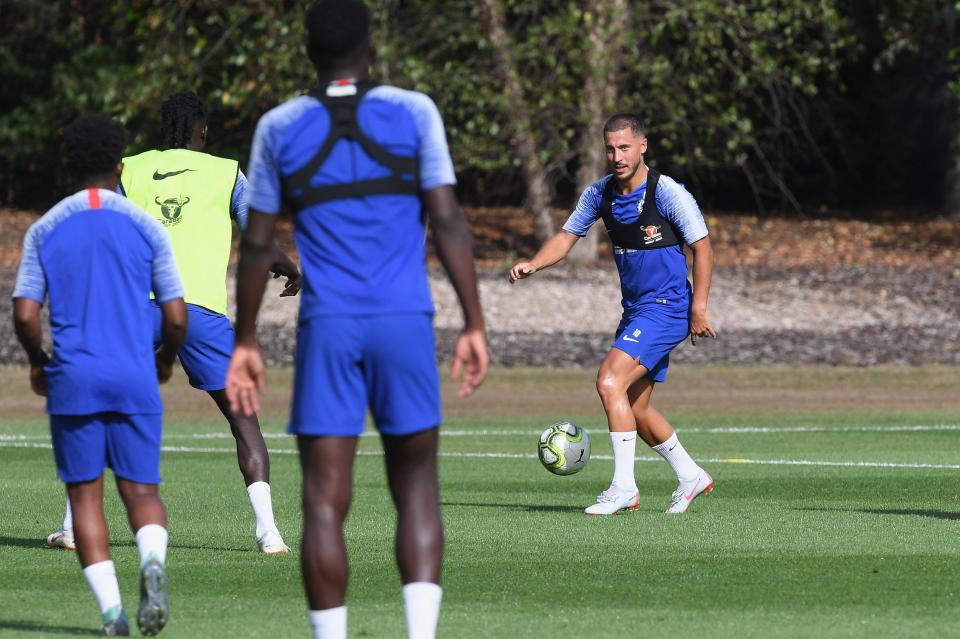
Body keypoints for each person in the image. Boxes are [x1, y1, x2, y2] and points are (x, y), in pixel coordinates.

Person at [225, 1, 489, 637]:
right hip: (404, 320)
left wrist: (245, 338)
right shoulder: (414, 110)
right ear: (370, 47)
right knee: (417, 485)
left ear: (307, 50)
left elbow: (258, 244)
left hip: (329, 328)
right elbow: (448, 219)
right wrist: (474, 322)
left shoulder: (279, 126)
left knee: (322, 499)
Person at [45, 91, 299, 555]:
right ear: (202, 131)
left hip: (136, 308)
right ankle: (269, 533)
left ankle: (72, 525)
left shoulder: (131, 168)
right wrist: (288, 266)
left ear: (165, 129)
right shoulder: (227, 172)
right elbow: (259, 238)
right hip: (200, 309)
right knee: (244, 422)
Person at [13, 114, 186, 636]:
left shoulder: (45, 228)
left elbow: (24, 314)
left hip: (74, 379)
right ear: (119, 163)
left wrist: (38, 362)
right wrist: (164, 360)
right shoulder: (146, 225)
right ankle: (152, 564)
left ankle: (112, 614)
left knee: (85, 497)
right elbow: (176, 316)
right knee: (142, 492)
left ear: (69, 165)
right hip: (134, 374)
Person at [510, 113, 716, 516]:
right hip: (636, 311)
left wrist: (699, 308)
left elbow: (703, 247)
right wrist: (535, 263)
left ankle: (624, 488)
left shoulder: (667, 192)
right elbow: (567, 237)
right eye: (610, 148)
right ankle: (691, 476)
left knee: (608, 381)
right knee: (635, 408)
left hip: (668, 307)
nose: (617, 156)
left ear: (642, 146)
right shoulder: (599, 194)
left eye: (624, 147)